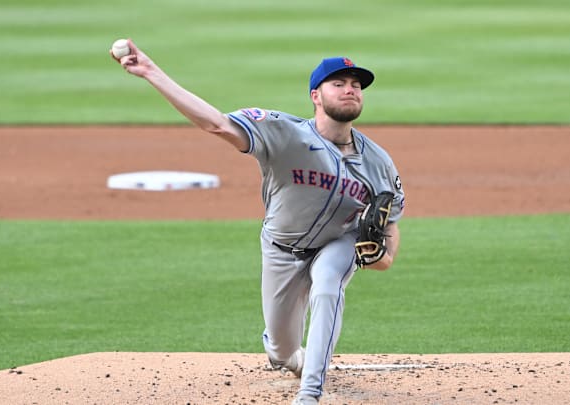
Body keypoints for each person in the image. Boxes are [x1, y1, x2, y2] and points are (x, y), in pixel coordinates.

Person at [111, 40, 405, 404]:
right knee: (282, 352)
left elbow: (389, 228)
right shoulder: (285, 134)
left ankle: (310, 393)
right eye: (339, 83)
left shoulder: (378, 162)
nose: (350, 90)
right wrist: (152, 73)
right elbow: (216, 124)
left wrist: (381, 257)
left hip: (337, 243)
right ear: (316, 95)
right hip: (282, 249)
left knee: (328, 284)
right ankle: (290, 357)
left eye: (356, 85)